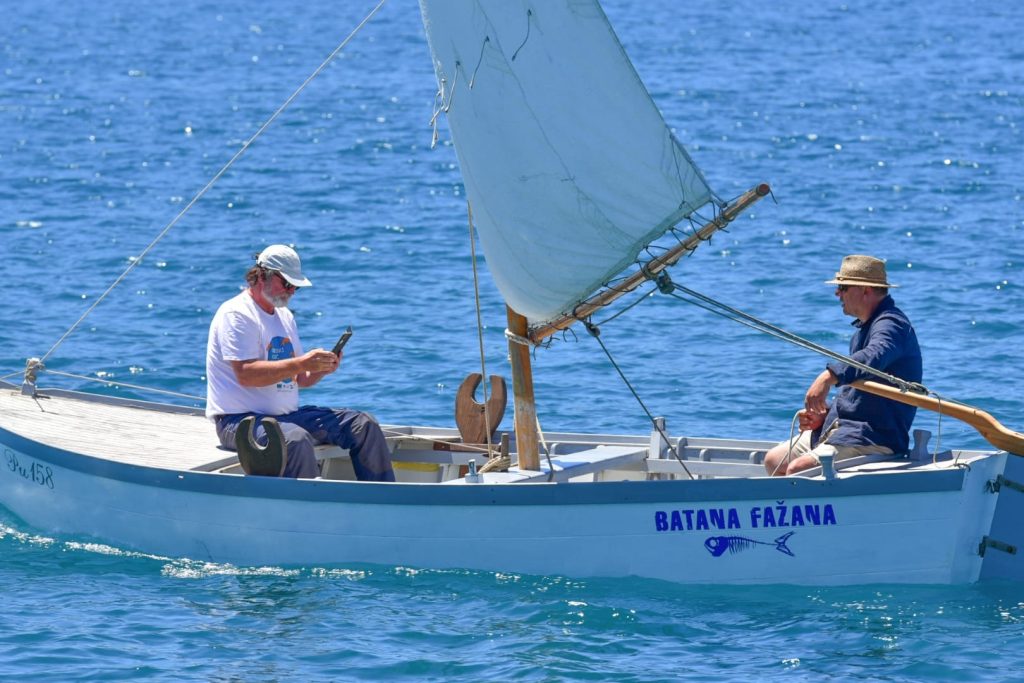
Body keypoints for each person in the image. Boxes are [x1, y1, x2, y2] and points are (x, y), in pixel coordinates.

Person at [205, 244, 395, 481]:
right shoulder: (236, 314)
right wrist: (301, 363)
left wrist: (320, 369)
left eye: (295, 286)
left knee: (362, 425)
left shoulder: (284, 316)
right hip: (239, 423)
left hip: (285, 417)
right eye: (287, 283)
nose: (292, 290)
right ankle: (311, 512)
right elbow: (246, 374)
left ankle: (379, 501)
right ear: (263, 274)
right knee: (294, 439)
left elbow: (299, 380)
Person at [763, 254, 922, 476]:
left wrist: (828, 376)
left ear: (865, 290)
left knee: (798, 469)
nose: (837, 293)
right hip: (842, 428)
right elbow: (860, 396)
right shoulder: (863, 331)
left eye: (843, 287)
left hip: (872, 437)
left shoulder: (891, 325)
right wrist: (825, 414)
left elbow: (873, 357)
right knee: (774, 461)